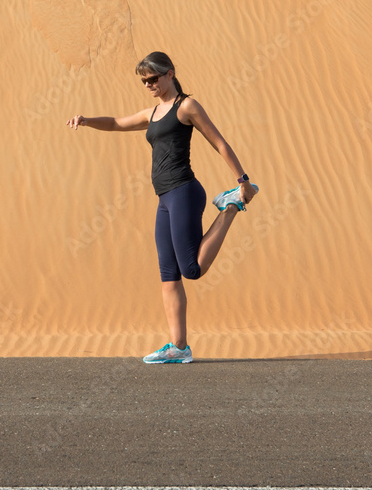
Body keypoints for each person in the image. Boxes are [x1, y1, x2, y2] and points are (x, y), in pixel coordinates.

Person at [66, 51, 259, 364]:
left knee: (192, 269)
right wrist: (86, 120)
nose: (149, 84)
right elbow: (116, 123)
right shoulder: (152, 113)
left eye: (153, 78)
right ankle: (179, 347)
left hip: (184, 192)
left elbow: (219, 142)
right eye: (145, 81)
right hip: (165, 199)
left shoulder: (187, 106)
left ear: (170, 73)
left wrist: (243, 181)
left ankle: (231, 205)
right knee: (168, 274)